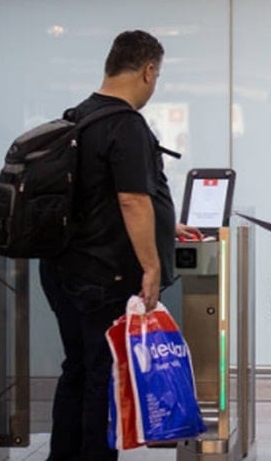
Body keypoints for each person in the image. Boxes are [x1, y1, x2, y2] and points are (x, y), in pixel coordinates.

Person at [38, 30, 202, 460]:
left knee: (76, 367)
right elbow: (131, 199)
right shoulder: (125, 123)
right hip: (103, 276)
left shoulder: (78, 116)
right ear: (149, 70)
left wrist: (168, 225)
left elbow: (96, 198)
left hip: (62, 269)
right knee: (102, 374)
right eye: (158, 75)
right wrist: (151, 268)